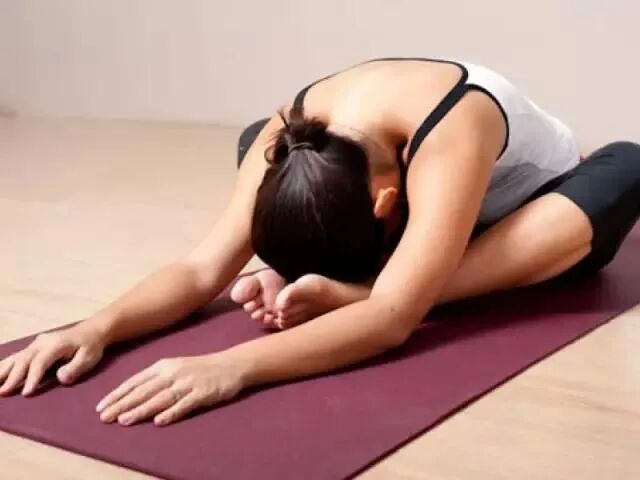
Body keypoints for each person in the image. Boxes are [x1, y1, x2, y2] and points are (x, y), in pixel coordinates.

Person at [1, 57, 639, 427]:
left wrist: (233, 366)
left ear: (386, 207)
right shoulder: (293, 126)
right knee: (253, 139)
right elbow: (199, 271)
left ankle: (360, 283)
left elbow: (393, 321)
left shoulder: (453, 126)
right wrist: (96, 327)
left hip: (516, 218)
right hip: (403, 215)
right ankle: (359, 275)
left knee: (629, 166)